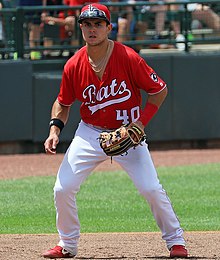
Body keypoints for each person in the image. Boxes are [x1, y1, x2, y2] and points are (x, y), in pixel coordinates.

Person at [43, 3, 188, 259]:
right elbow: (63, 103)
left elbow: (159, 91)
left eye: (98, 24)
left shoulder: (128, 57)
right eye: (87, 24)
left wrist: (140, 123)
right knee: (62, 189)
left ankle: (176, 241)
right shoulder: (74, 65)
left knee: (150, 188)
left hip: (128, 133)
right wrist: (55, 129)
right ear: (81, 28)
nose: (92, 29)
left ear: (109, 28)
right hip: (89, 133)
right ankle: (67, 244)